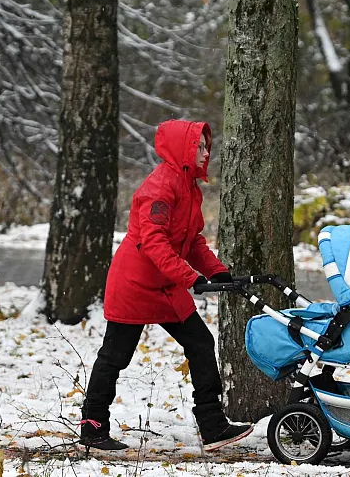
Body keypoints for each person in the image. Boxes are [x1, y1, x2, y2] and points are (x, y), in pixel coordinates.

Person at [80, 119, 252, 452]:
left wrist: (216, 271)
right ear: (182, 149)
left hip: (166, 284)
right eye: (198, 147)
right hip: (135, 283)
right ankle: (93, 427)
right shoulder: (159, 188)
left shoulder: (189, 187)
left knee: (200, 343)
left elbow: (192, 240)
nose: (205, 153)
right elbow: (154, 242)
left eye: (205, 147)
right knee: (115, 355)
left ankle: (213, 426)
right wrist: (190, 278)